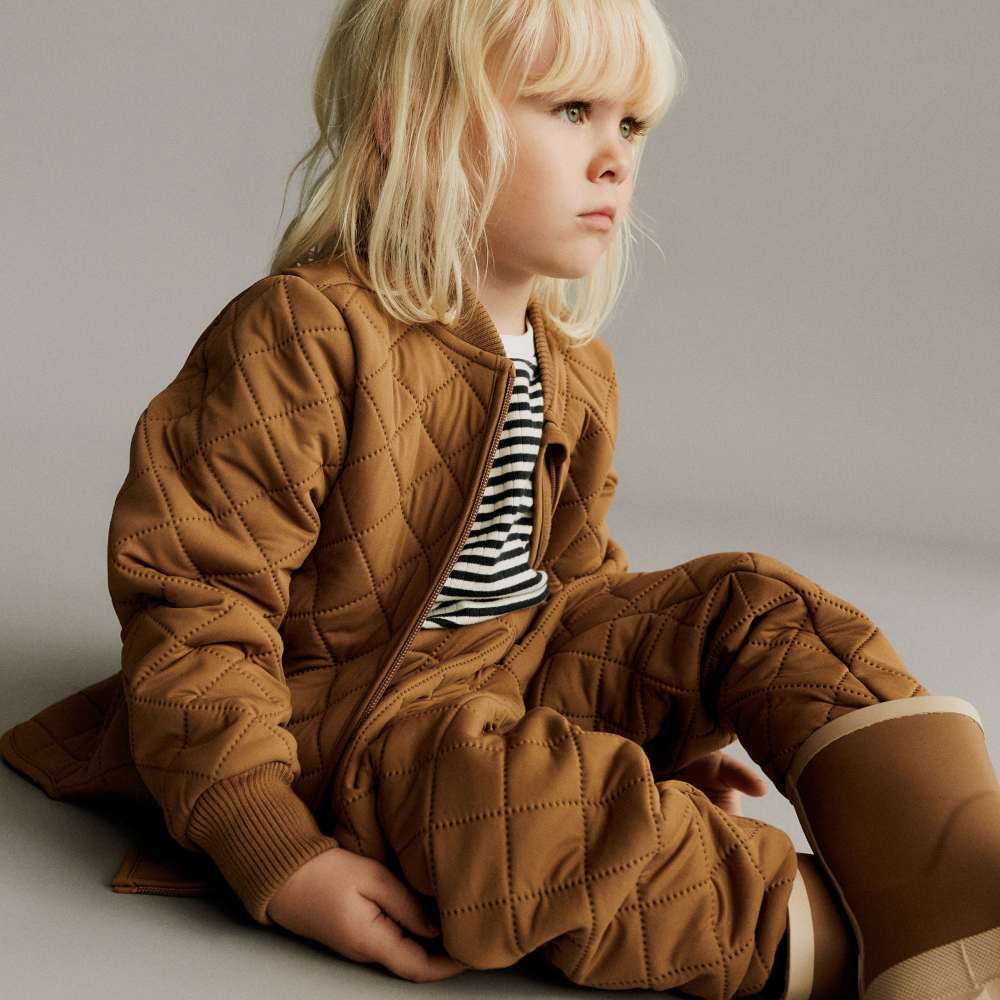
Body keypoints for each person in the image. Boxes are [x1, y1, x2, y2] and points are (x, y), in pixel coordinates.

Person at [3, 3, 999, 998]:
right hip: (357, 725)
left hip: (523, 664)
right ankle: (882, 942)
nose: (614, 158)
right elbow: (199, 607)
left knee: (758, 605)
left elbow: (581, 584)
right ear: (413, 120)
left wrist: (640, 736)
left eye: (631, 124)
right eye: (570, 111)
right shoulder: (305, 335)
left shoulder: (575, 367)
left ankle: (949, 857)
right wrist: (277, 851)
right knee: (529, 822)